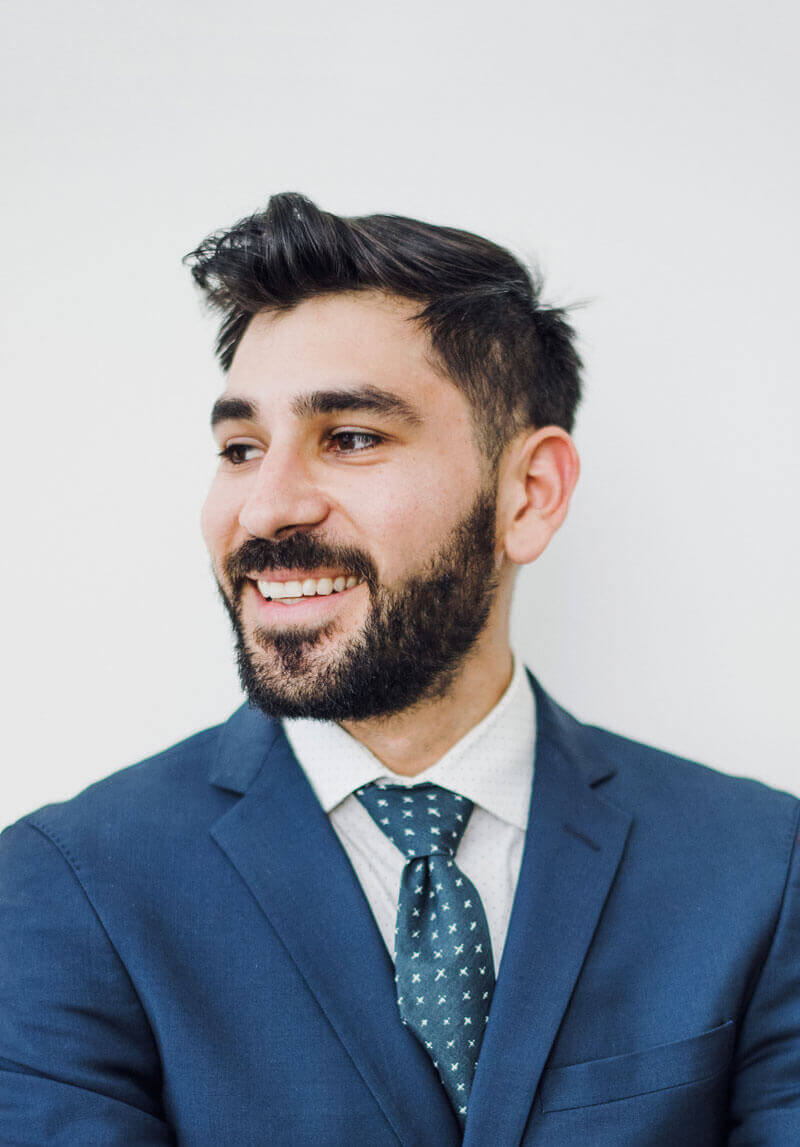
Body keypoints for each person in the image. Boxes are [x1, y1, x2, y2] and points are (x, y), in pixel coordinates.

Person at [0, 192, 798, 1147]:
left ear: (529, 493)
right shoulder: (66, 886)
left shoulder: (763, 868)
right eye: (240, 449)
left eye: (351, 437)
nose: (265, 508)